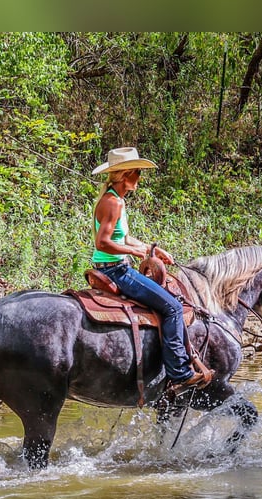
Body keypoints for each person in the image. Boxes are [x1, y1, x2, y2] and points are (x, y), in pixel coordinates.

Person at [90, 146, 208, 389]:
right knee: (174, 307)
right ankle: (180, 373)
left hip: (113, 266)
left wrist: (150, 249)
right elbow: (102, 242)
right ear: (126, 174)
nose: (140, 179)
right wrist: (134, 252)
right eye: (138, 173)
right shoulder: (114, 203)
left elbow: (124, 238)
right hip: (117, 270)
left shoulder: (115, 199)